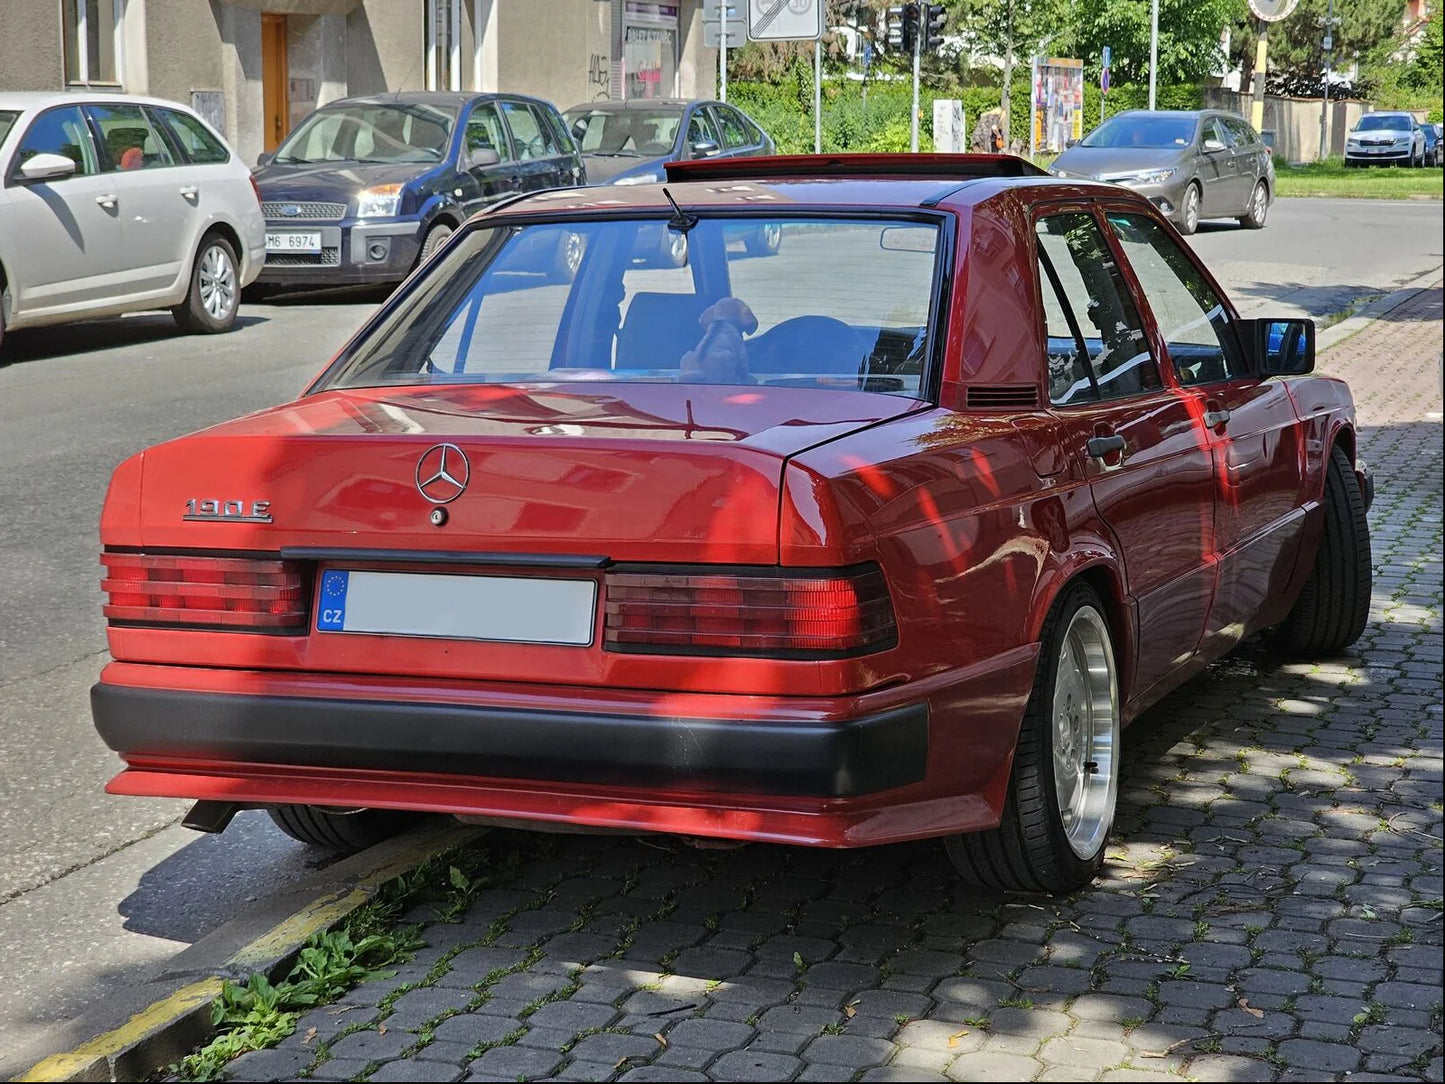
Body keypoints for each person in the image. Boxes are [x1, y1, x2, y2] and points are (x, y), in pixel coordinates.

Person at [678, 297, 757, 385]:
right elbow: (742, 364)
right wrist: (745, 378)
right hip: (720, 381)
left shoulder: (711, 330)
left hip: (698, 382)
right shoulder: (732, 334)